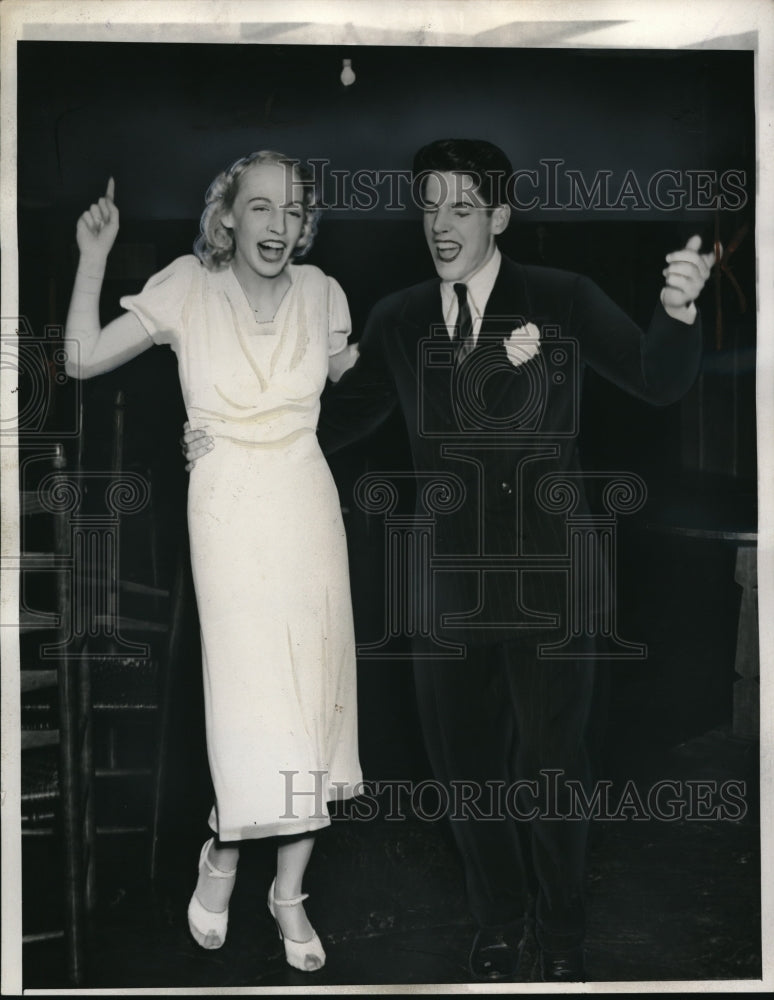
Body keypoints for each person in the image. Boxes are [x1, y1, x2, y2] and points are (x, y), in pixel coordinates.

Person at [184, 138, 717, 982]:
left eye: (462, 206)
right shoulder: (398, 318)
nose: (441, 224)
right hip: (445, 593)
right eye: (429, 205)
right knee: (467, 778)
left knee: (552, 772)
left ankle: (563, 933)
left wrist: (680, 313)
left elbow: (656, 377)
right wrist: (223, 430)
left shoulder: (562, 299)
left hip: (553, 583)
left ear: (499, 216)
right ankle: (501, 926)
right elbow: (320, 422)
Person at [64, 151, 363, 973]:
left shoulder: (324, 296)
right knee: (249, 703)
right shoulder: (186, 289)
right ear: (226, 215)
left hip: (306, 503)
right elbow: (81, 358)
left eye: (293, 210)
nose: (278, 225)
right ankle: (226, 855)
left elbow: (367, 390)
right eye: (259, 208)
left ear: (306, 224)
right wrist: (93, 257)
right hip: (227, 506)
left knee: (313, 704)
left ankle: (288, 892)